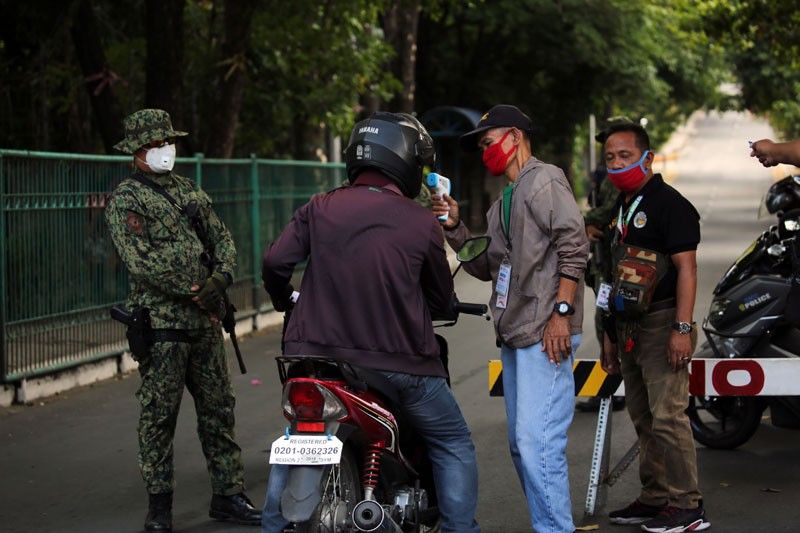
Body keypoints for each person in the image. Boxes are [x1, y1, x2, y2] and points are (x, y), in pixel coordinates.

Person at [260, 112, 480, 533]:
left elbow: (275, 261)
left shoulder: (319, 207)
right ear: (405, 162)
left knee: (294, 438)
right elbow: (439, 299)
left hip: (316, 363)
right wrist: (445, 306)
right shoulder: (420, 221)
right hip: (402, 366)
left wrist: (285, 299)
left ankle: (272, 526)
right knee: (452, 442)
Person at [432, 104, 589, 533]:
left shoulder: (545, 180)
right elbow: (489, 266)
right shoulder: (506, 198)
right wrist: (455, 226)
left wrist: (561, 313)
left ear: (515, 137)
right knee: (523, 447)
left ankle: (555, 530)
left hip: (545, 333)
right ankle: (549, 524)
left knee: (538, 443)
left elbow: (575, 245)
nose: (485, 152)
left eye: (488, 142)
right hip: (517, 335)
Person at [105, 109, 261, 532]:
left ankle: (229, 495)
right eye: (155, 145)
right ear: (137, 152)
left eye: (167, 142)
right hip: (163, 327)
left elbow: (222, 238)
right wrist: (199, 288)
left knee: (219, 410)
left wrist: (222, 277)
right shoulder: (126, 199)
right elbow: (142, 263)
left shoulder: (189, 190)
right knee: (159, 418)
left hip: (206, 324)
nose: (164, 150)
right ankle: (159, 510)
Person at [599, 122, 710, 532]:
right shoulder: (621, 207)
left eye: (625, 155)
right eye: (610, 157)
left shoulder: (670, 204)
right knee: (644, 417)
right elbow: (611, 274)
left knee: (668, 417)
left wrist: (682, 327)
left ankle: (688, 505)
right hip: (629, 325)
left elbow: (687, 269)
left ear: (648, 158)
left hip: (664, 320)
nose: (616, 164)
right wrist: (610, 336)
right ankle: (656, 496)